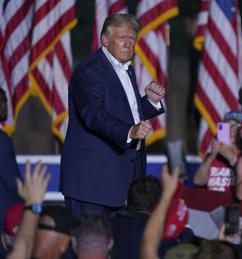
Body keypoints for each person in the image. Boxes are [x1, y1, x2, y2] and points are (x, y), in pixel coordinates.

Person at [60, 13, 165, 216]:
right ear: (105, 40)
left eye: (132, 38)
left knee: (121, 246)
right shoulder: (89, 71)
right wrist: (129, 130)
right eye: (121, 38)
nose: (128, 44)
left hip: (123, 180)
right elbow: (94, 115)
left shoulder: (126, 69)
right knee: (89, 244)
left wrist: (150, 101)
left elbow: (122, 113)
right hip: (92, 185)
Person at [111, 175, 194, 259]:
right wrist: (183, 225)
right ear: (159, 207)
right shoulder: (163, 238)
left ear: (126, 202)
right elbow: (193, 254)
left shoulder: (108, 227)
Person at [194, 111, 242, 192]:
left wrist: (229, 156)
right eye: (227, 126)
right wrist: (212, 156)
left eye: (235, 126)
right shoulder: (213, 156)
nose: (231, 130)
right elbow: (198, 181)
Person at [0, 88, 22, 258]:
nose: (4, 105)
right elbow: (12, 182)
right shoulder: (2, 139)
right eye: (0, 101)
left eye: (5, 100)